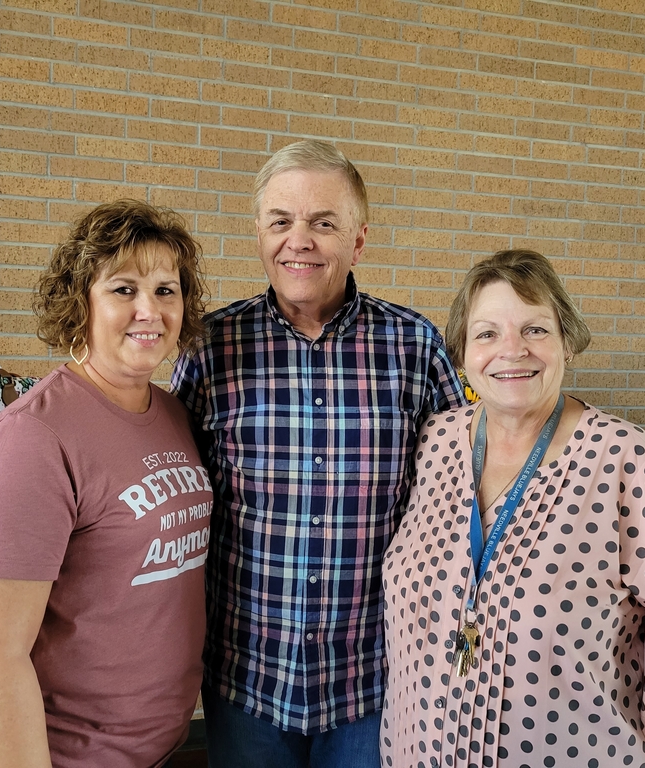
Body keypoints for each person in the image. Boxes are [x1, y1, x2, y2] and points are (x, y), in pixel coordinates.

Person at [171, 139, 467, 767]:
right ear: (259, 233)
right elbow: (177, 499)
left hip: (374, 679)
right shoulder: (210, 349)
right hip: (247, 678)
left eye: (324, 223)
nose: (298, 240)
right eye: (281, 221)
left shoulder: (415, 347)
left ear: (358, 240)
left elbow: (461, 496)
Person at [380, 249, 645, 768]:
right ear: (462, 353)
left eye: (535, 330)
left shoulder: (625, 460)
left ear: (567, 339)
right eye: (487, 333)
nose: (512, 350)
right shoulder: (432, 443)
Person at [0, 199, 212, 768]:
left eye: (166, 291)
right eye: (124, 289)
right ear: (81, 302)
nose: (149, 310)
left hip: (155, 749)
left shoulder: (172, 413)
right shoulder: (32, 438)